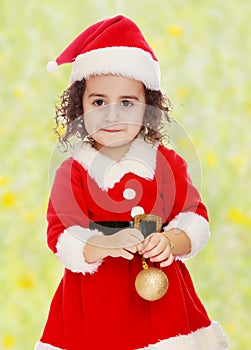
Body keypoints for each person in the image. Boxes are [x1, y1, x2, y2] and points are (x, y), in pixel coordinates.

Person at [35, 15, 228, 350]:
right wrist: (105, 244)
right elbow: (62, 237)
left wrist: (170, 241)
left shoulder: (167, 163)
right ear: (78, 105)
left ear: (147, 107)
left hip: (162, 307)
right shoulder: (72, 172)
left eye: (127, 102)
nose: (112, 115)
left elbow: (194, 218)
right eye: (98, 102)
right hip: (94, 307)